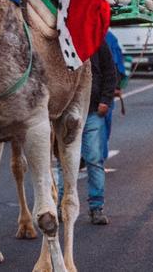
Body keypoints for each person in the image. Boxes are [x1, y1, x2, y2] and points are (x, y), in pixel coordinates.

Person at [55, 29, 120, 225]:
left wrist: (105, 100)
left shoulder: (97, 41)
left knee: (94, 159)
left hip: (92, 112)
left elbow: (110, 72)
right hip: (66, 113)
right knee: (64, 162)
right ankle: (61, 206)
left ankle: (96, 207)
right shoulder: (60, 42)